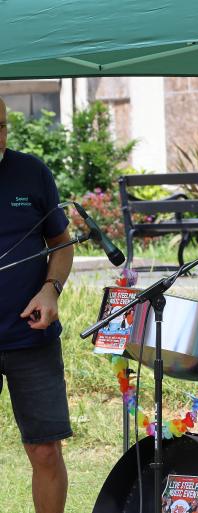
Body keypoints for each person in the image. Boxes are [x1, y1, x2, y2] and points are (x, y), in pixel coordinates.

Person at [0, 97, 74, 513]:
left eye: (1, 126)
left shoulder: (32, 172)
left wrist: (51, 289)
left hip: (31, 337)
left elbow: (61, 244)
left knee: (45, 450)